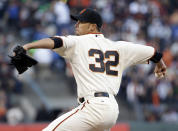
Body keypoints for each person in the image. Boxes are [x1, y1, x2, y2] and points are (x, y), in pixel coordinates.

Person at [18, 8, 166, 131]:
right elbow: (153, 53)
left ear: (92, 27)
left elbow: (55, 41)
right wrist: (160, 64)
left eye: (80, 22)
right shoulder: (119, 47)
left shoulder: (78, 42)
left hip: (93, 107)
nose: (76, 25)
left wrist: (28, 46)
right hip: (111, 110)